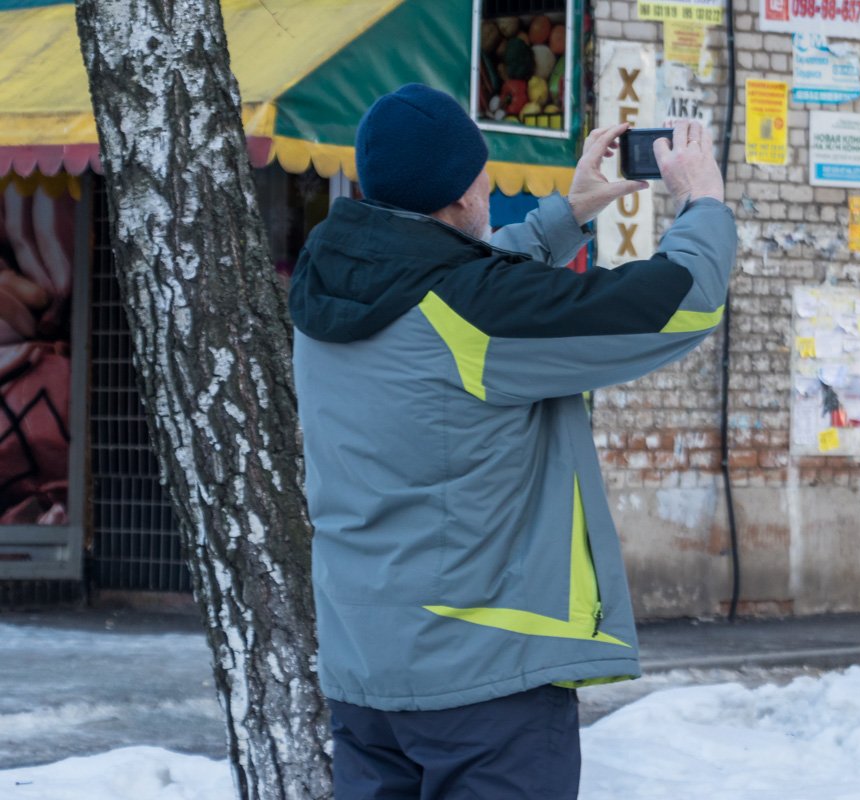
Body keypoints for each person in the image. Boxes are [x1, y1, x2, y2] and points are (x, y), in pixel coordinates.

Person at [289, 83, 734, 799]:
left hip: (365, 678)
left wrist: (571, 212)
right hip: (483, 684)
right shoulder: (474, 317)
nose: (489, 191)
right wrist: (703, 203)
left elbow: (448, 282)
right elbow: (682, 303)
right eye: (484, 176)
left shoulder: (327, 290)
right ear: (464, 196)